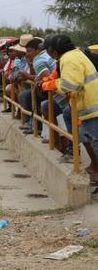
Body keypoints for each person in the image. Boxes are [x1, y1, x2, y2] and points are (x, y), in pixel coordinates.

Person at [42, 35, 98, 178]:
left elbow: (70, 86)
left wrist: (50, 85)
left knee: (96, 143)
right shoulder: (74, 54)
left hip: (92, 109)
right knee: (87, 137)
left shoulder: (69, 59)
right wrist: (53, 78)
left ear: (52, 51)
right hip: (89, 108)